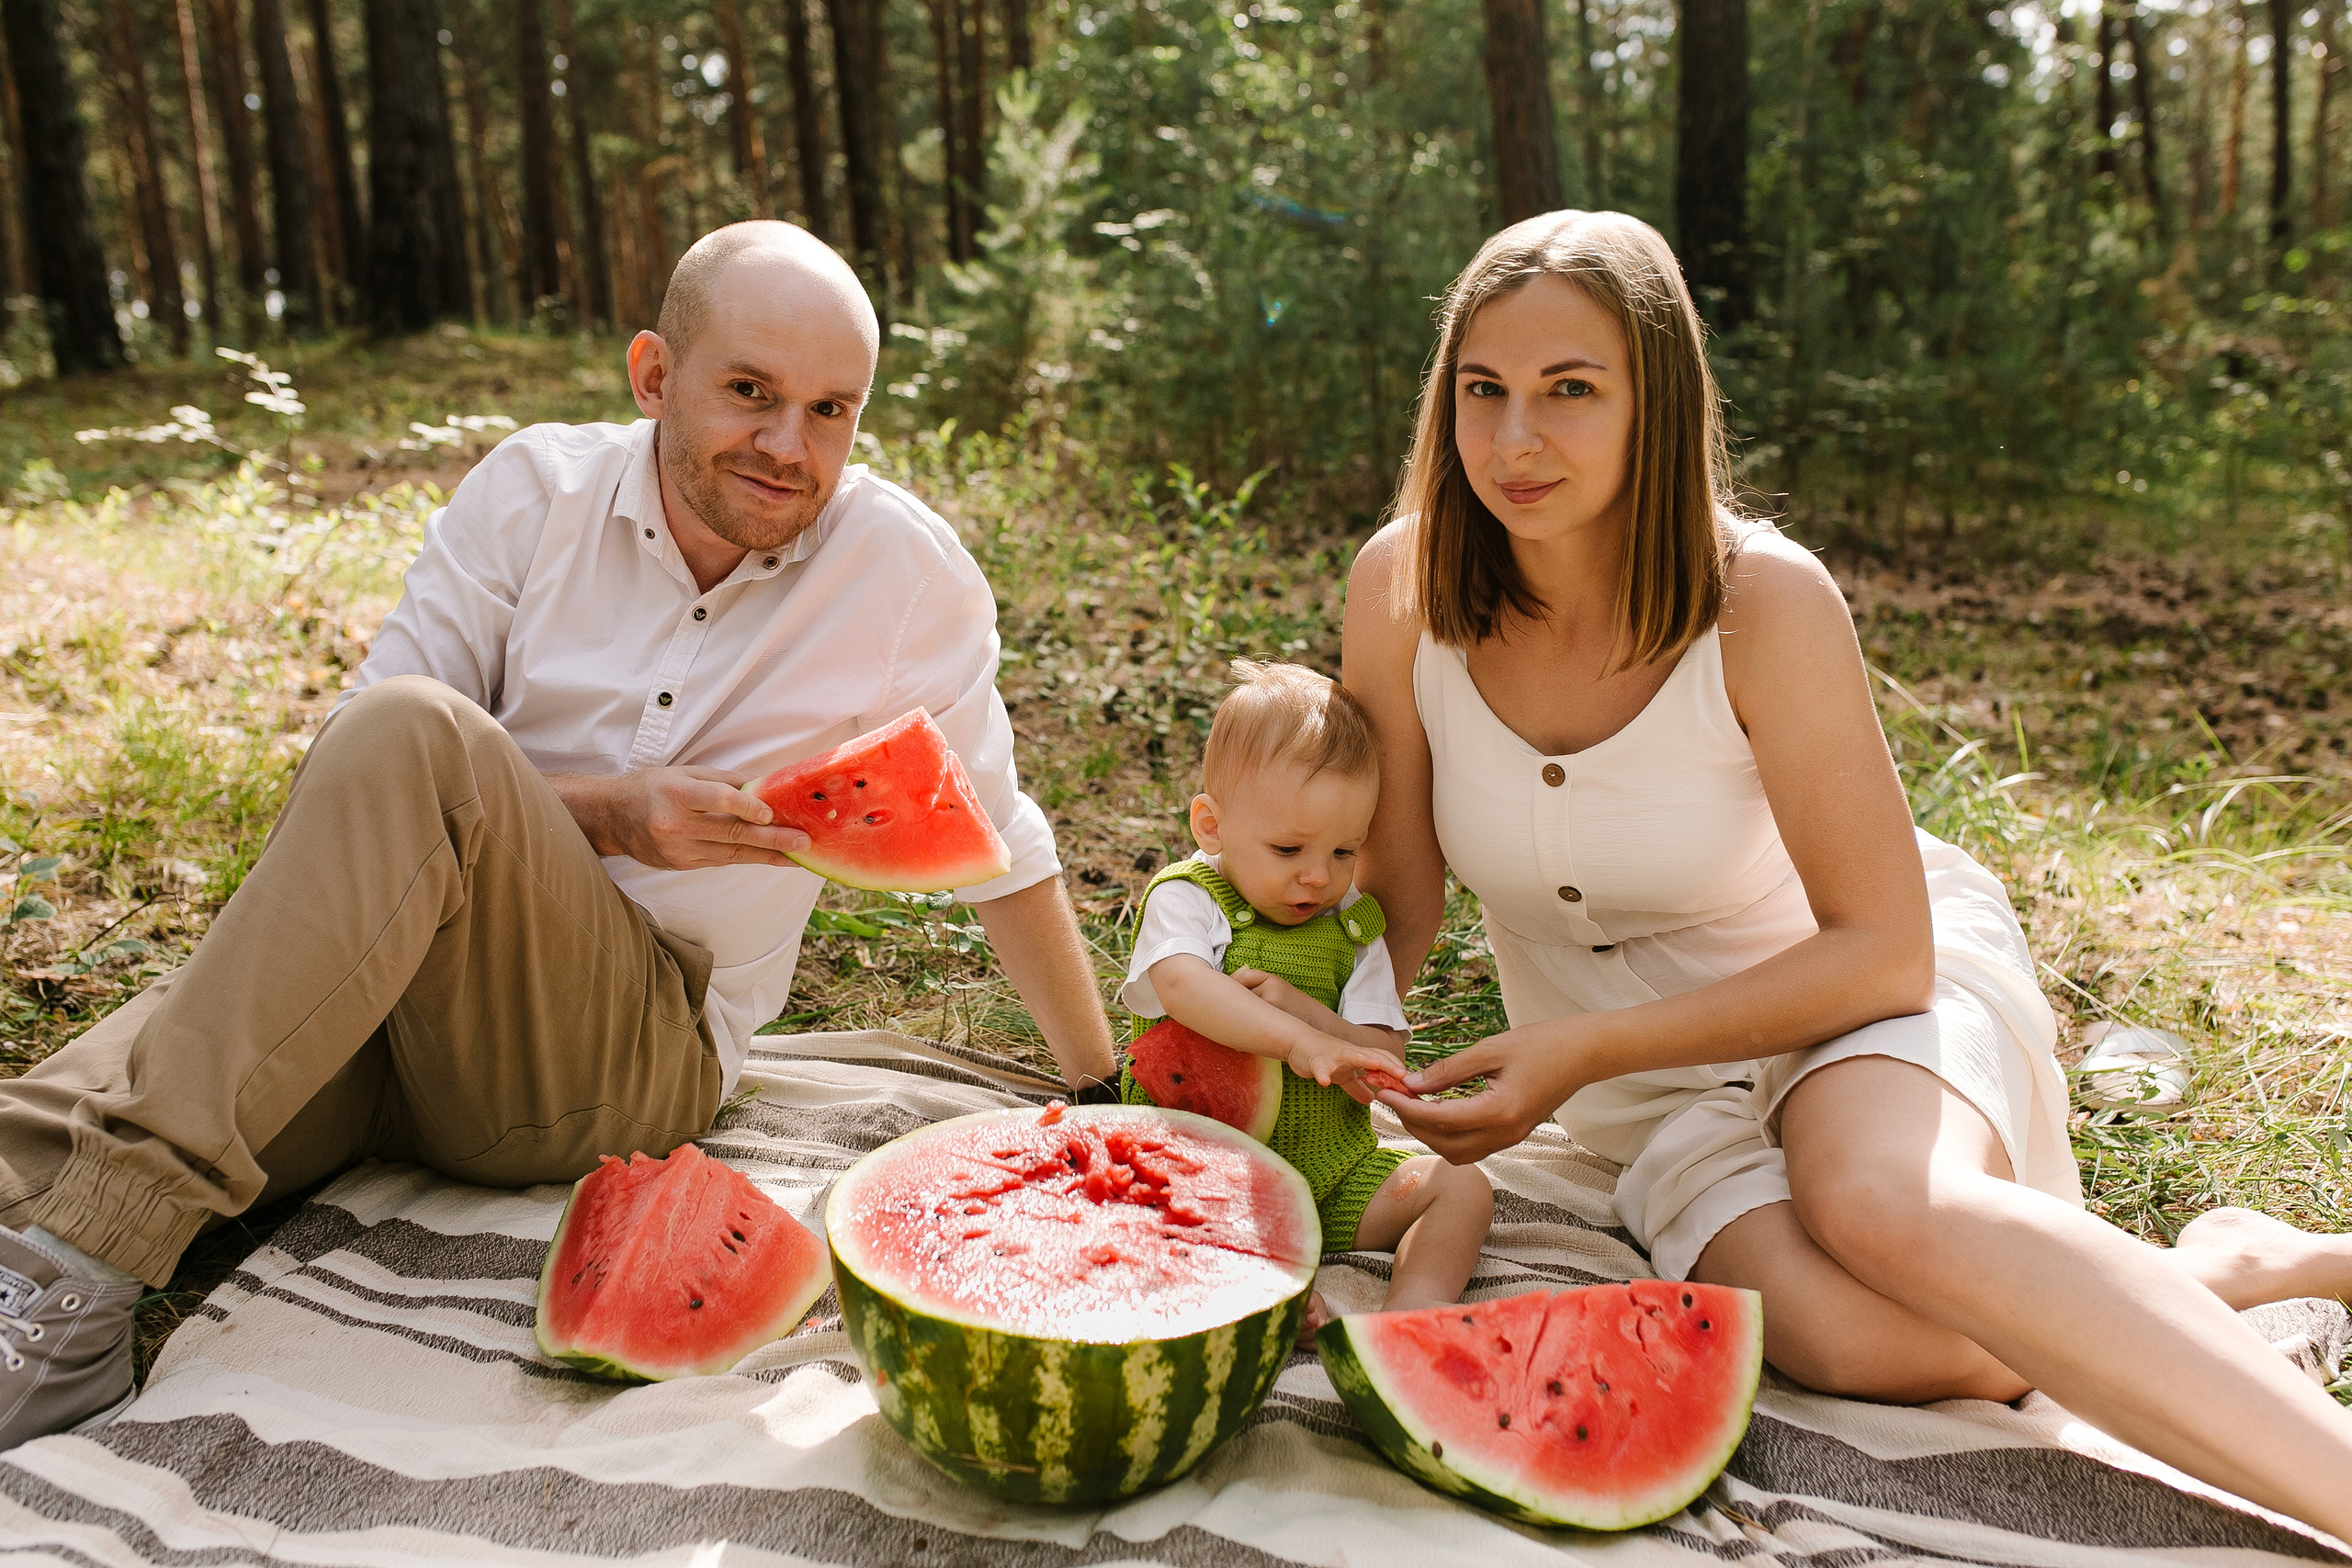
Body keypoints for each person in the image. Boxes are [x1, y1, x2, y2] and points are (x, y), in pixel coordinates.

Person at [0, 221, 1117, 1449]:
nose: (789, 447)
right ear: (654, 374)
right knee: (39, 1134)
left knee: (417, 737)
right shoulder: (534, 492)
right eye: (750, 392)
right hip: (394, 995)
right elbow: (349, 764)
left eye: (830, 410)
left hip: (621, 1049)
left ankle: (81, 1287)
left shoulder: (902, 573)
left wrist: (1104, 1089)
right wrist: (610, 808)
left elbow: (996, 841)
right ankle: (54, 1237)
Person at [1341, 209, 2352, 1540]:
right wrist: (1299, 1029)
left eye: (1569, 391)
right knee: (1847, 1337)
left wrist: (1578, 1049)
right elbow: (1399, 898)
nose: (1513, 441)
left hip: (1852, 990)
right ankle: (2214, 1269)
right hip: (1649, 1091)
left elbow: (1882, 947)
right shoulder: (1403, 584)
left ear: (1660, 399)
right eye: (1484, 391)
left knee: (1878, 1204)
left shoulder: (1764, 597)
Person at [1119, 661, 1491, 1325]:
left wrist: (1306, 1013)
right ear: (1212, 825)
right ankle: (1263, 1295)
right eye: (1289, 848)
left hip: (1333, 1176)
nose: (1318, 876)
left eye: (1345, 850)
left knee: (1462, 1187)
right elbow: (1180, 983)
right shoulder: (1190, 897)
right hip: (1203, 1170)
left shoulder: (1350, 928)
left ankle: (1412, 1312)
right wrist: (1297, 1041)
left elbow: (1384, 1055)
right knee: (1138, 1216)